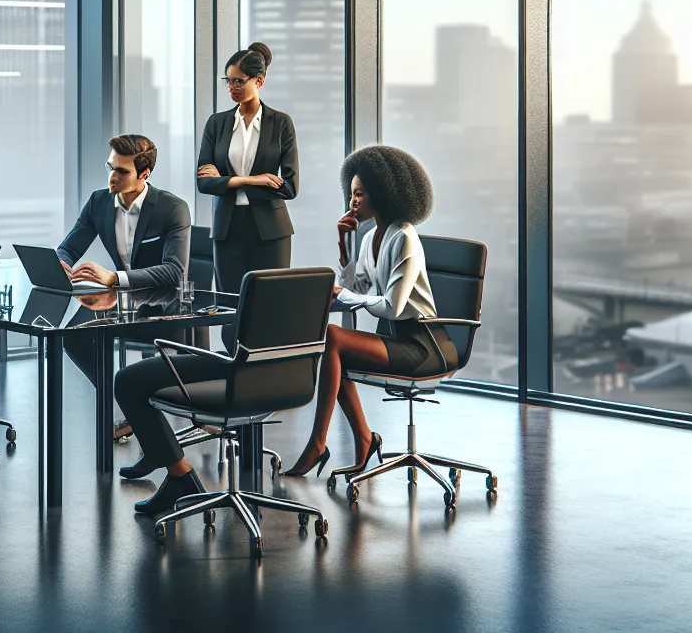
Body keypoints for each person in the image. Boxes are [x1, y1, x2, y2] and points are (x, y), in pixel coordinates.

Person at [283, 145, 456, 480]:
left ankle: (318, 443)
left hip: (422, 345)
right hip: (392, 338)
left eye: (359, 194)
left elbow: (391, 306)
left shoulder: (403, 238)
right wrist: (343, 244)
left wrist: (345, 295)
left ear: (382, 193)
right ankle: (364, 439)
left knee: (333, 337)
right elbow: (358, 289)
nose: (352, 203)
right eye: (351, 194)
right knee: (334, 351)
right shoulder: (372, 237)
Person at [52, 134, 192, 450]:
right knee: (73, 335)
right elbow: (68, 248)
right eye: (110, 167)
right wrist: (61, 262)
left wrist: (114, 278)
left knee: (140, 373)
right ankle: (124, 398)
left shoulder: (173, 208)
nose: (112, 177)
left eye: (122, 171)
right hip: (123, 302)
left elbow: (175, 273)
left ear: (145, 174)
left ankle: (134, 408)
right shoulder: (99, 202)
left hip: (166, 305)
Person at [196, 41, 298, 342]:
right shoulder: (217, 124)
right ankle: (234, 375)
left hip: (271, 232)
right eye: (228, 81)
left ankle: (268, 377)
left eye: (239, 81)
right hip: (228, 230)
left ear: (260, 81)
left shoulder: (280, 124)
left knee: (270, 308)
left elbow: (289, 187)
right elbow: (203, 181)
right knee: (231, 309)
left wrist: (225, 180)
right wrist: (250, 180)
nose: (232, 88)